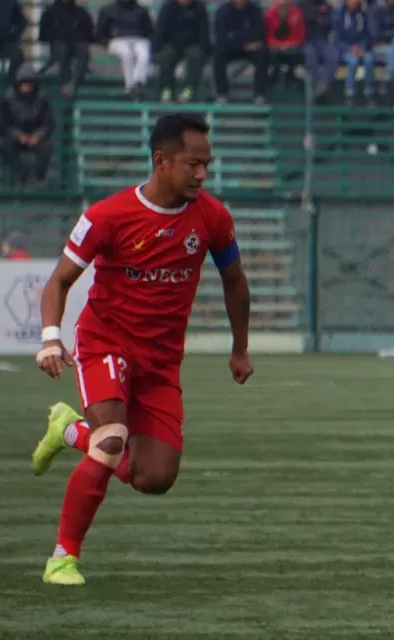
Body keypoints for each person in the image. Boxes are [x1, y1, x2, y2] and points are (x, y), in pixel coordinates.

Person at [30, 113, 255, 585]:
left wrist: (240, 348)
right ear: (161, 161)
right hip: (105, 342)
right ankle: (62, 557)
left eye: (207, 165)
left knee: (155, 478)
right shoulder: (106, 216)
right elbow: (59, 281)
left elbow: (235, 282)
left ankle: (70, 432)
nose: (202, 175)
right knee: (112, 439)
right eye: (194, 164)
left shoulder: (212, 216)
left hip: (162, 360)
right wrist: (50, 336)